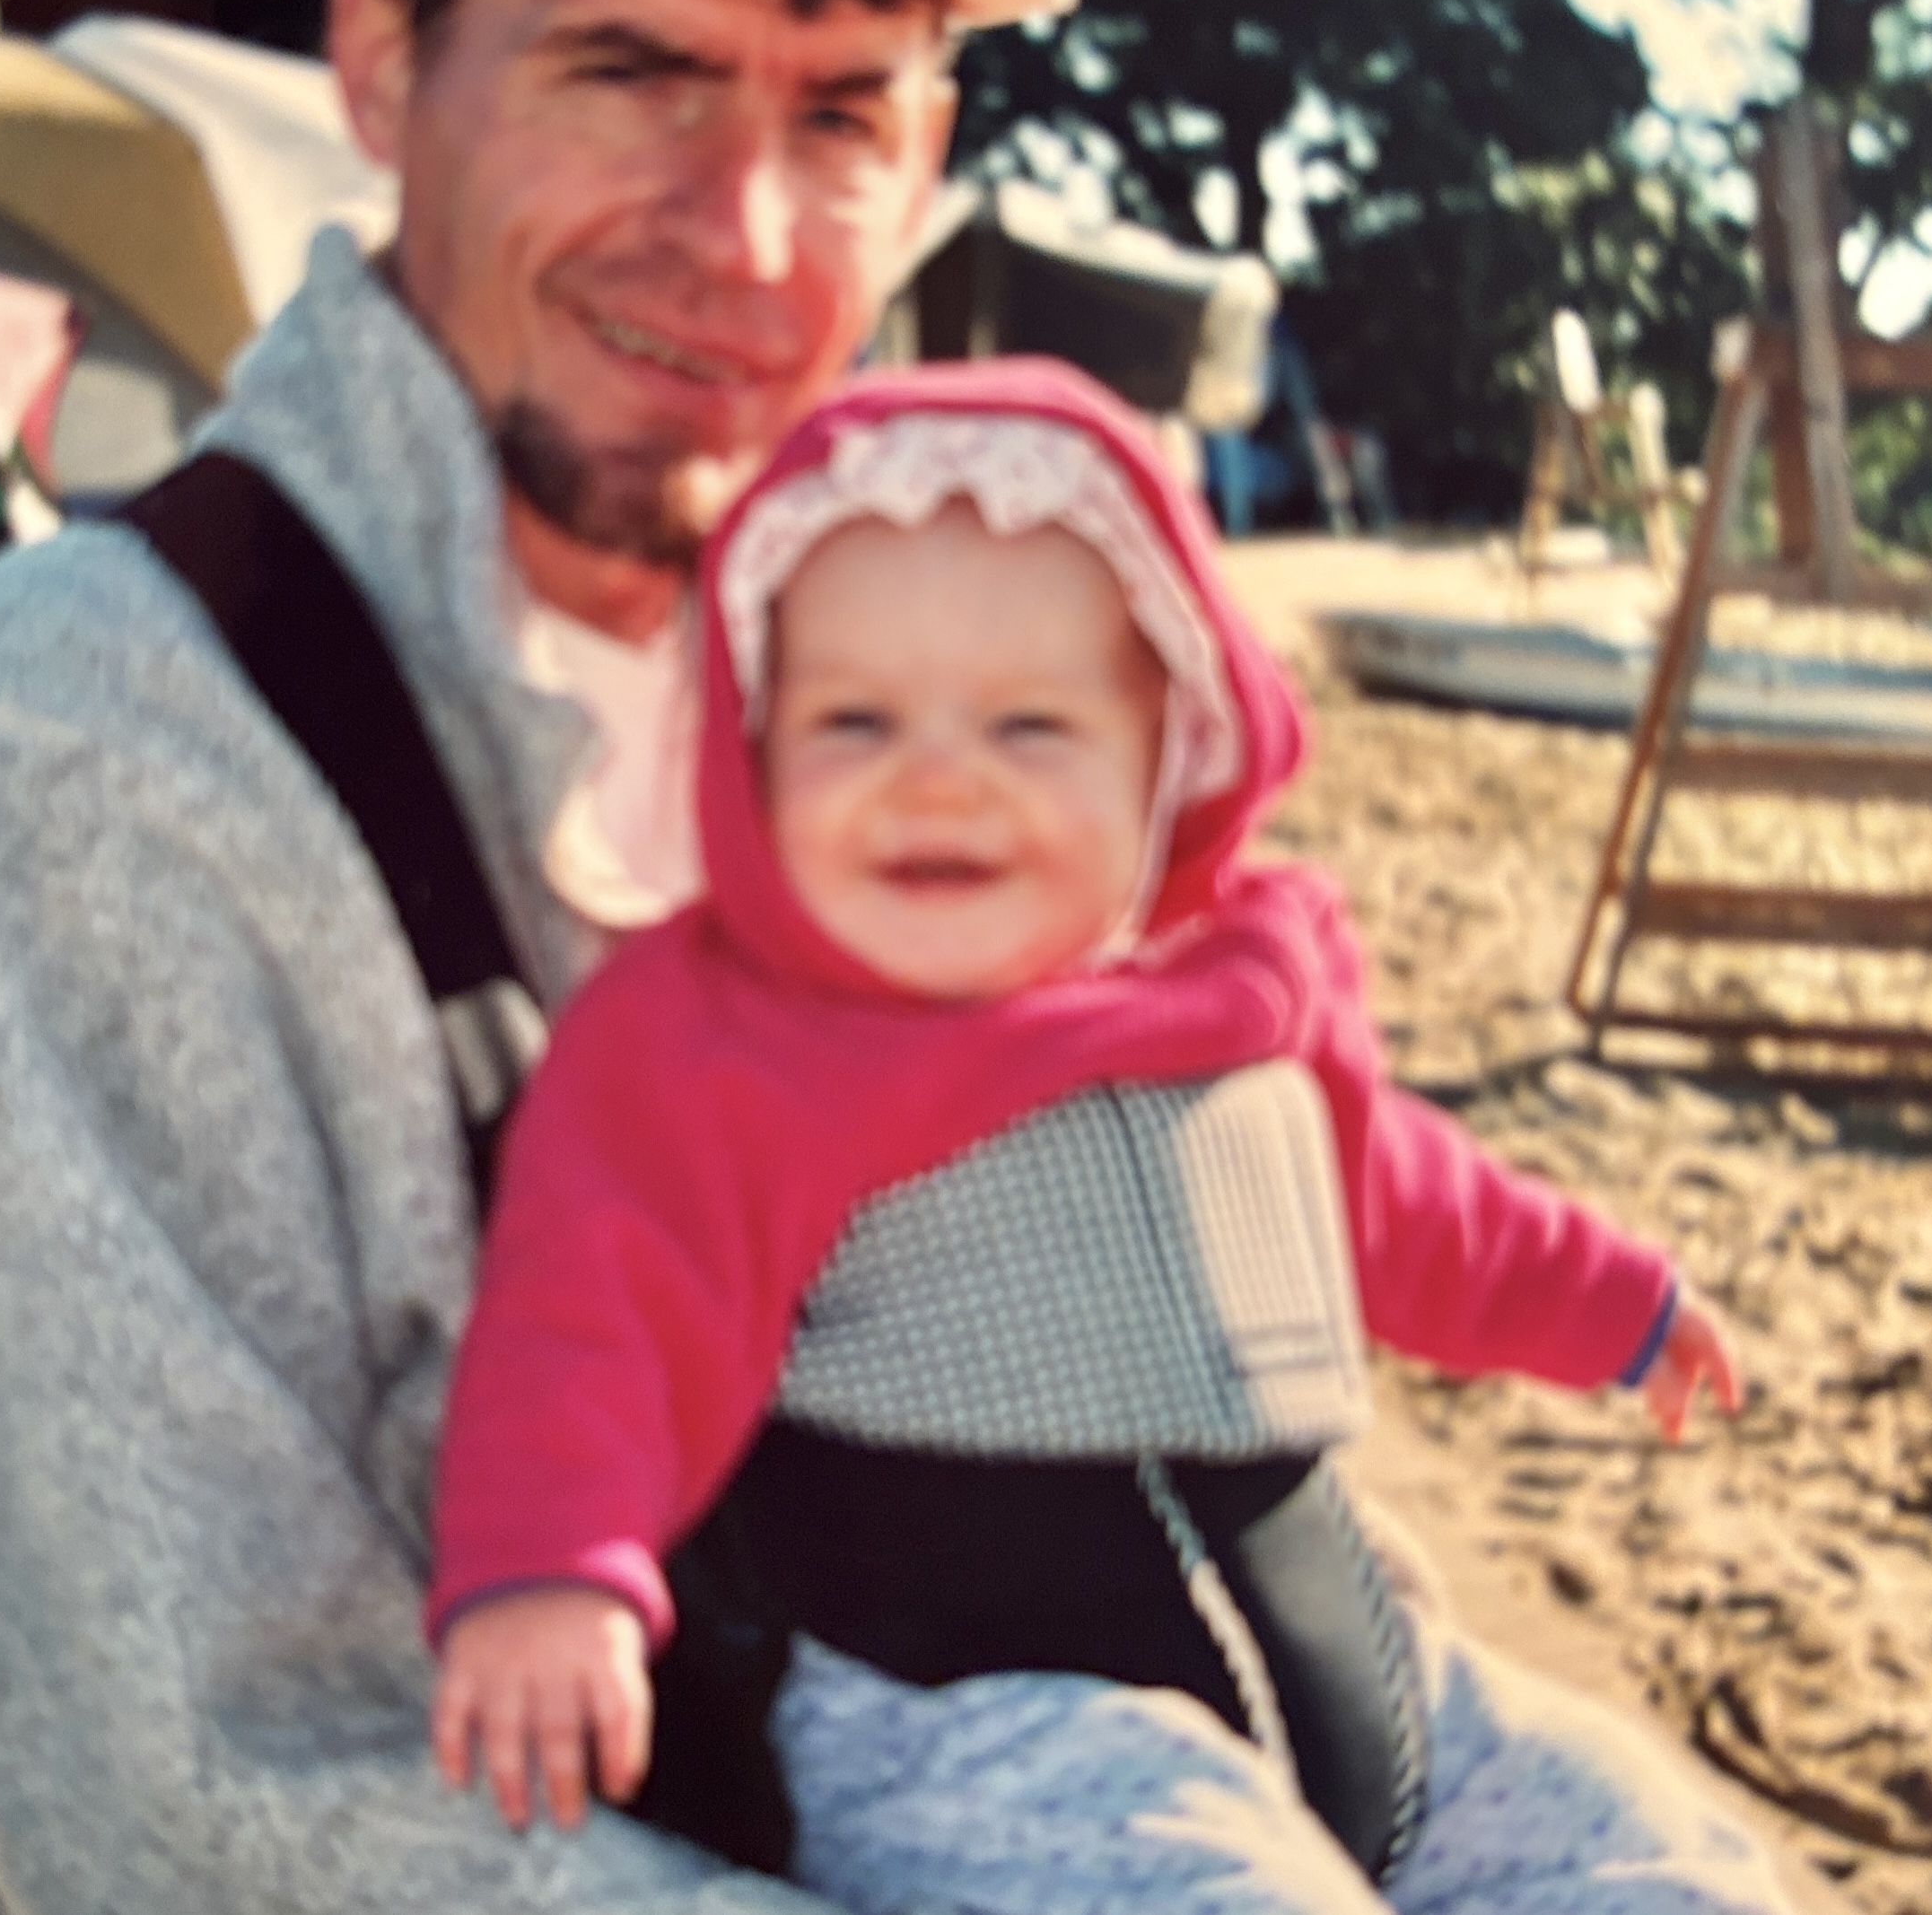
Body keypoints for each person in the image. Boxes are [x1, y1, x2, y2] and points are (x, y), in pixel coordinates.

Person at [0, 0, 1830, 1914]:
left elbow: (1195, 1357)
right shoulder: (80, 762)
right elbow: (196, 1813)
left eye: (838, 108)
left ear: (929, 136)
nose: (740, 232)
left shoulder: (927, 662)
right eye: (625, 63)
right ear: (376, 55)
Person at [424, 363, 1753, 1913]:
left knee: (1650, 1846)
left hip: (1364, 1678)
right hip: (983, 1727)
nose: (938, 774)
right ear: (748, 753)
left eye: (1030, 725)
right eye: (853, 720)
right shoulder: (719, 1044)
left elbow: (1406, 1201)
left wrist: (1614, 1303)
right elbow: (585, 1319)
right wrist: (543, 1570)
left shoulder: (1234, 992)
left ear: (1166, 758)